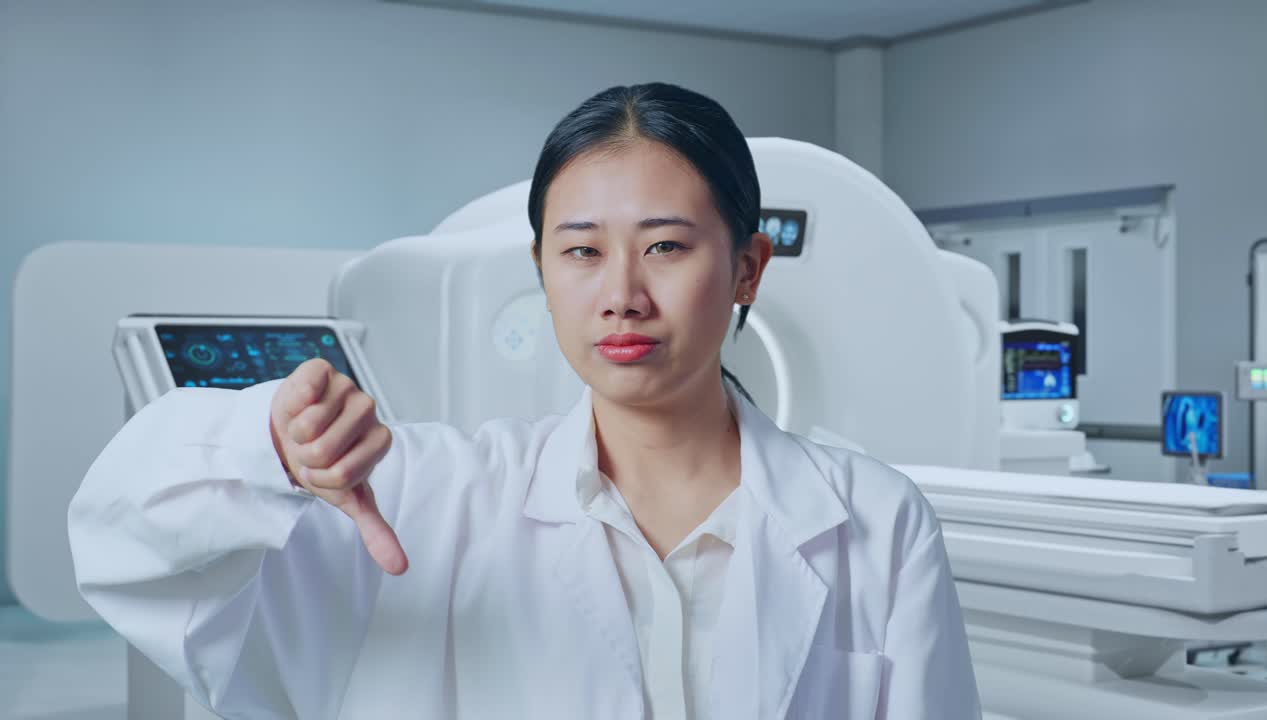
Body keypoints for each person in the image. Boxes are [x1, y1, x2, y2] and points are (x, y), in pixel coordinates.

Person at [69, 83, 981, 719]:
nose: (621, 292)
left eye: (665, 247)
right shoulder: (436, 496)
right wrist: (266, 449)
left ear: (747, 267)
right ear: (542, 270)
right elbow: (121, 543)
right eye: (581, 251)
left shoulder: (876, 523)